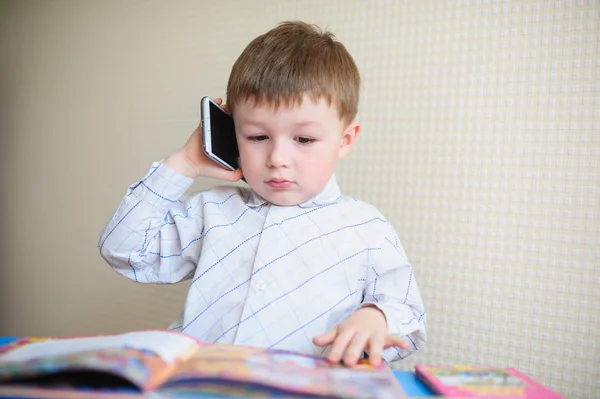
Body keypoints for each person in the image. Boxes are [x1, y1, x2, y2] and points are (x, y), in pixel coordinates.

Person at [99, 21, 426, 367]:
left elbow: (407, 315)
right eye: (257, 137)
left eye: (303, 139)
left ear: (345, 140)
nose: (277, 160)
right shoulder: (212, 211)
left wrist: (376, 317)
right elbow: (123, 250)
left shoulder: (366, 228)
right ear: (232, 132)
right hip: (198, 384)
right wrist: (184, 163)